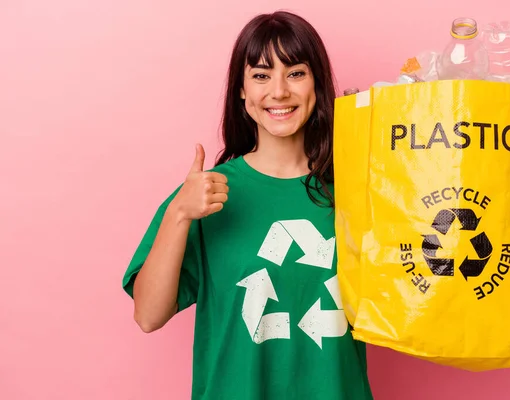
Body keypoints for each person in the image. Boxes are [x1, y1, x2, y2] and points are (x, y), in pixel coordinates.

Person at [122, 10, 374, 400]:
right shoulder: (207, 194)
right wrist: (179, 214)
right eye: (260, 75)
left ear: (317, 84)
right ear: (241, 90)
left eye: (295, 73)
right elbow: (148, 316)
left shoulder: (357, 188)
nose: (278, 91)